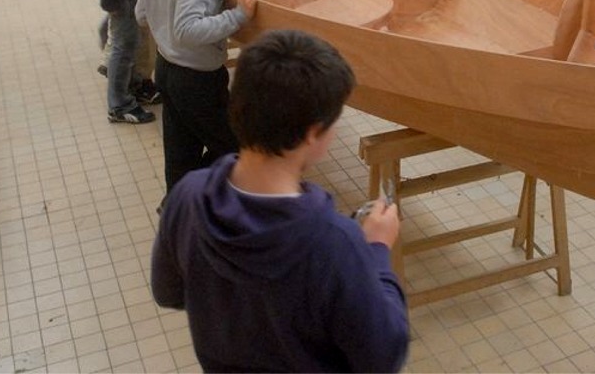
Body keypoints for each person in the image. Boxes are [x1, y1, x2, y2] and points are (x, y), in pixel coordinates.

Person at [151, 29, 409, 373]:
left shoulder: (186, 196)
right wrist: (377, 250)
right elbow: (384, 356)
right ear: (313, 133)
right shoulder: (335, 241)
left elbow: (168, 292)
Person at [135, 0, 259, 195]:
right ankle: (194, 196)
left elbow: (141, 13)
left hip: (166, 67)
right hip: (196, 77)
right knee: (235, 149)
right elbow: (188, 30)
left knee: (179, 154)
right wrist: (238, 15)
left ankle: (177, 206)